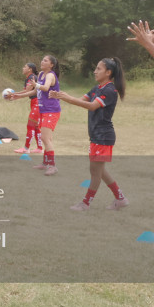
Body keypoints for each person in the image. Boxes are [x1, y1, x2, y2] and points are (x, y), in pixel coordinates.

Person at [51, 58, 129, 211]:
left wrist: (68, 98)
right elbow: (81, 101)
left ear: (108, 72)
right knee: (100, 170)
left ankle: (85, 203)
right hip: (96, 136)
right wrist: (62, 96)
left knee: (95, 171)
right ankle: (120, 199)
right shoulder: (97, 88)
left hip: (103, 136)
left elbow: (92, 106)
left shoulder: (110, 90)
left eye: (99, 69)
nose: (95, 71)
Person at [9, 55, 61, 176]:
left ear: (51, 65)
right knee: (47, 138)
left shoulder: (50, 75)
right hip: (44, 110)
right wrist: (19, 96)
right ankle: (45, 163)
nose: (42, 61)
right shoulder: (42, 74)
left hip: (51, 110)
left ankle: (52, 166)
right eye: (42, 59)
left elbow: (45, 87)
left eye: (45, 60)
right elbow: (36, 91)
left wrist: (36, 84)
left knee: (45, 138)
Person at [11, 62, 44, 154]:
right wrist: (15, 94)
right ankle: (39, 148)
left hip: (37, 103)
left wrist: (14, 94)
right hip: (35, 102)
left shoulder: (31, 77)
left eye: (25, 67)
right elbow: (26, 91)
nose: (23, 68)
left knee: (31, 125)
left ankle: (26, 148)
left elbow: (28, 91)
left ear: (30, 69)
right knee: (36, 126)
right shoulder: (29, 78)